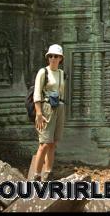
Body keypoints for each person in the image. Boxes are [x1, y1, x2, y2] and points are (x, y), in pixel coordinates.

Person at [33, 44, 66, 181]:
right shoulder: (43, 72)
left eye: (56, 56)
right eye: (50, 56)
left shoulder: (61, 73)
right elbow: (37, 93)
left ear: (60, 58)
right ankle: (36, 175)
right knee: (44, 143)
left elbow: (62, 92)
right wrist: (39, 113)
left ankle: (48, 172)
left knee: (53, 143)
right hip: (46, 108)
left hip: (59, 107)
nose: (53, 58)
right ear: (48, 58)